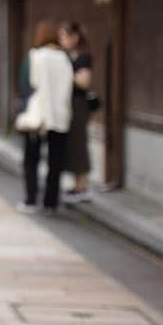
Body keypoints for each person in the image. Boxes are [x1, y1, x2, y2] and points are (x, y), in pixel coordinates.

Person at [18, 20, 74, 215]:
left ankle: (31, 199)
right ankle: (51, 202)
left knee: (31, 158)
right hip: (60, 115)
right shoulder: (64, 58)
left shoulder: (34, 56)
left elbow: (25, 85)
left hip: (37, 114)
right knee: (55, 160)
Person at [59, 22, 94, 203]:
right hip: (68, 104)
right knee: (72, 145)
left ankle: (83, 186)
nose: (62, 41)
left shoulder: (83, 57)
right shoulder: (67, 56)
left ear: (75, 37)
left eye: (65, 36)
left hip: (78, 104)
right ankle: (76, 185)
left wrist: (65, 73)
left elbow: (84, 82)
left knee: (79, 143)